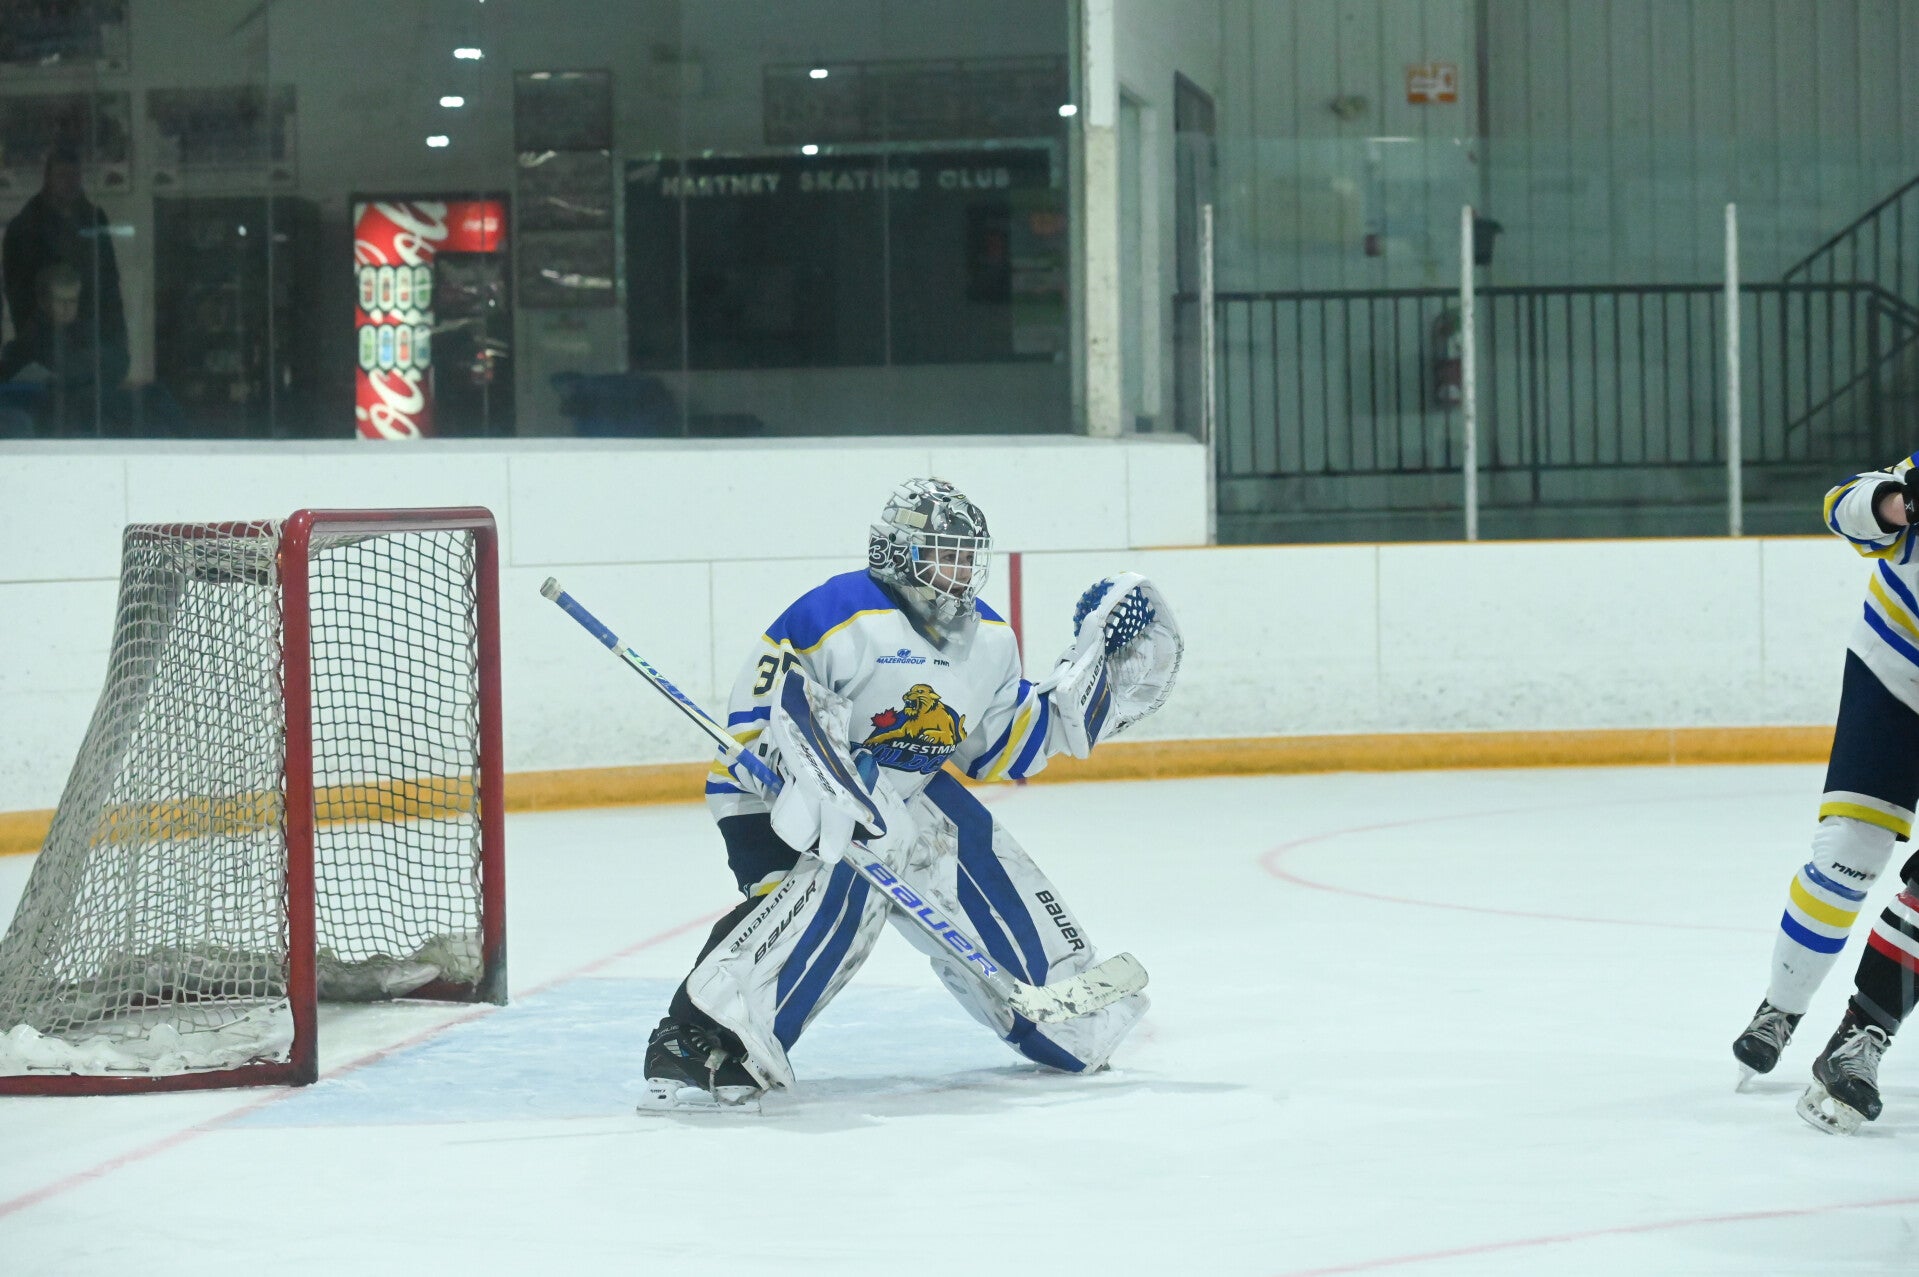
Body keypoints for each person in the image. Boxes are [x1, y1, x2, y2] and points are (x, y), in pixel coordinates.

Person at [640, 477, 1181, 1108]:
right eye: (944, 554)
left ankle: (1063, 1020)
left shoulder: (988, 640)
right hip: (772, 797)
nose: (960, 571)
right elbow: (766, 717)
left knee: (968, 852)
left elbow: (1000, 747)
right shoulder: (836, 614)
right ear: (898, 552)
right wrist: (824, 785)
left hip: (894, 797)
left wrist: (1094, 680)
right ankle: (697, 1035)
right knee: (807, 896)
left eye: (967, 557)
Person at [1732, 456, 1919, 1134]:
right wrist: (1896, 504)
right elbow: (1844, 503)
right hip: (1894, 673)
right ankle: (1780, 1007)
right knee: (1846, 853)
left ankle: (1859, 1038)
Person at [0, 146, 129, 423]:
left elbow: (109, 284)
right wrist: (35, 329)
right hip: (43, 336)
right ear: (48, 178)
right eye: (62, 176)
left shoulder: (93, 219)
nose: (70, 182)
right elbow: (17, 290)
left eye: (75, 175)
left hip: (91, 330)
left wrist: (114, 334)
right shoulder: (26, 226)